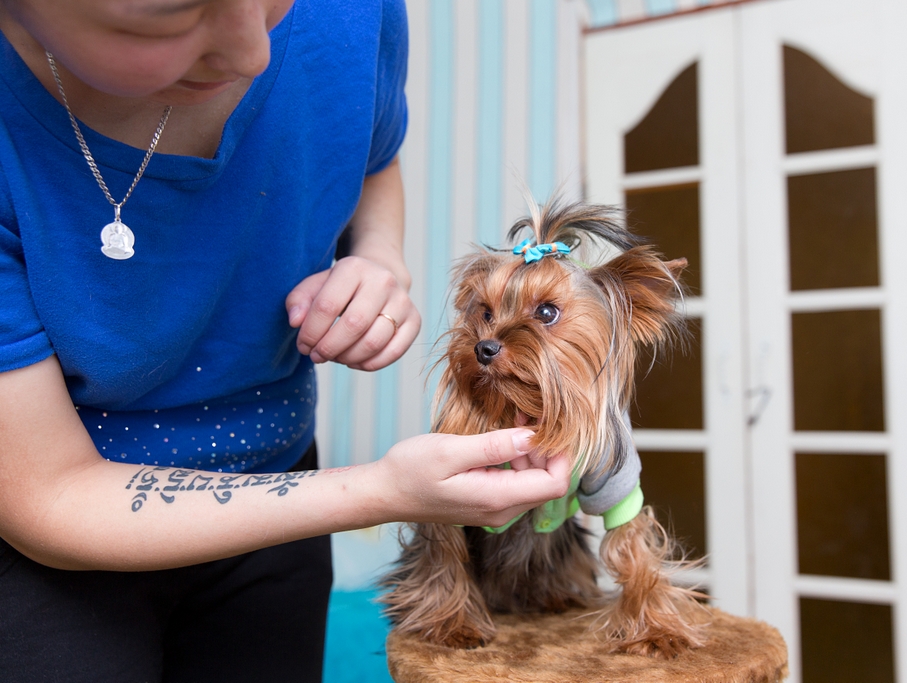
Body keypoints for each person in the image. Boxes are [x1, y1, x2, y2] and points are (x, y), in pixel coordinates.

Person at [0, 1, 571, 681]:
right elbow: (50, 490)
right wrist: (380, 491)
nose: (255, 55)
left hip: (283, 495)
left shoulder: (354, 13)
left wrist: (379, 254)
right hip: (57, 547)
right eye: (169, 15)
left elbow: (371, 156)